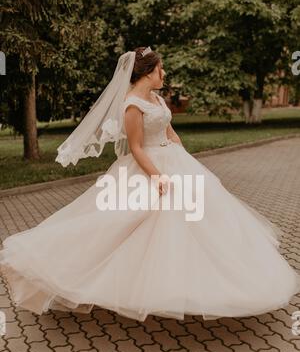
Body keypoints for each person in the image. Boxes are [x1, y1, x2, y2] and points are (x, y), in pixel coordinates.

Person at [0, 46, 299, 322]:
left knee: (199, 222)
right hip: (148, 167)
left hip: (176, 162)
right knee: (126, 224)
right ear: (148, 71)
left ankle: (197, 284)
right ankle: (85, 271)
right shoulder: (132, 105)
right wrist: (157, 175)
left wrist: (186, 160)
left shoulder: (156, 99)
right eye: (161, 69)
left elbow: (170, 131)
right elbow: (137, 147)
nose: (164, 74)